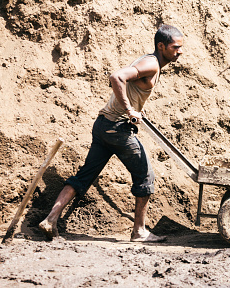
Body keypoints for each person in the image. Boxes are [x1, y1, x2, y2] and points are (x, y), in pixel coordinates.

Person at [39, 25, 184, 242]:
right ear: (161, 46)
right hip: (117, 128)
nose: (179, 52)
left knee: (84, 176)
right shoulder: (151, 64)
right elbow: (116, 76)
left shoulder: (150, 63)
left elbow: (130, 87)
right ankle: (139, 231)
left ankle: (50, 219)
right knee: (145, 176)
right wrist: (129, 110)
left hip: (103, 126)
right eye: (175, 47)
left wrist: (136, 108)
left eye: (181, 48)